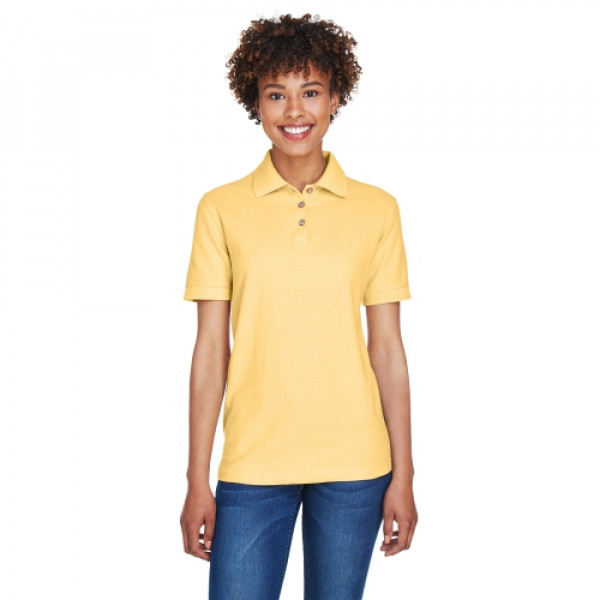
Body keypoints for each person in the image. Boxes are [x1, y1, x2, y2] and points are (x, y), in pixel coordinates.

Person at [180, 13, 417, 600]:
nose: (294, 111)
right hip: (253, 463)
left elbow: (387, 348)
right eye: (276, 94)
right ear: (255, 103)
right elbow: (211, 351)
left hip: (357, 465)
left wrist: (405, 474)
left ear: (335, 98)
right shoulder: (220, 209)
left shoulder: (377, 209)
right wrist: (196, 479)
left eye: (310, 92)